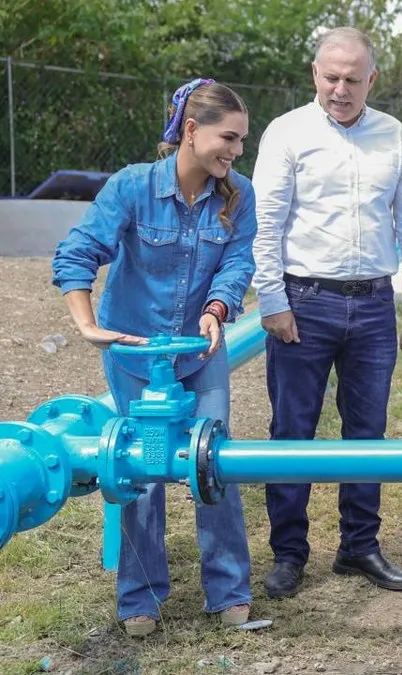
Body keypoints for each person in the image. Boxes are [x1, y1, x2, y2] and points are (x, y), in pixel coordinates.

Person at [51, 79, 256, 636]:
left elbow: (237, 263)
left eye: (241, 140)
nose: (237, 151)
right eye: (228, 138)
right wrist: (87, 324)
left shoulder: (238, 195)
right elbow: (79, 251)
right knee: (138, 468)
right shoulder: (132, 187)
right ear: (191, 130)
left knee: (213, 460)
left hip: (199, 352)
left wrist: (217, 308)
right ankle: (140, 597)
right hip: (136, 357)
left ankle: (229, 589)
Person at [251, 26, 402, 598]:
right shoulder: (286, 133)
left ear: (371, 79)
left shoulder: (393, 134)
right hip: (304, 302)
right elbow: (264, 224)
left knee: (367, 431)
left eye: (352, 79)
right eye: (331, 77)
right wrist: (272, 300)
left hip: (375, 302)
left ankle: (359, 546)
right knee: (293, 431)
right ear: (315, 74)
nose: (340, 89)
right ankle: (289, 553)